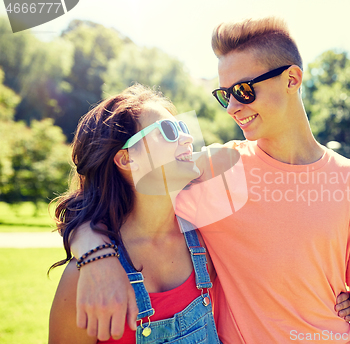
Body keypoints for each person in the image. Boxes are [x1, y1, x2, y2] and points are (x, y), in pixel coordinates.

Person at [70, 17, 350, 343]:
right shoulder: (214, 171)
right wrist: (96, 257)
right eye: (225, 94)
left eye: (243, 91)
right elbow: (100, 198)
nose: (232, 107)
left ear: (292, 79)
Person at [48, 85, 222, 343]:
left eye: (183, 127)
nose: (187, 139)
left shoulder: (209, 239)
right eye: (169, 131)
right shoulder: (85, 278)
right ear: (127, 159)